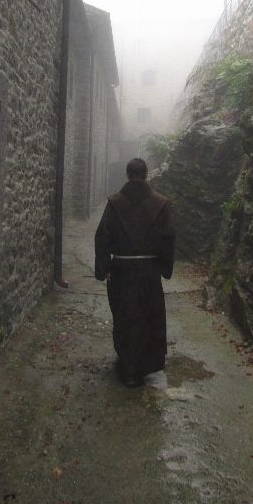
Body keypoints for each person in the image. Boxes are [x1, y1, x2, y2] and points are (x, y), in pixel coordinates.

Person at [95, 158, 175, 387]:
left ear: (127, 175)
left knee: (125, 316)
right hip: (149, 271)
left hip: (121, 270)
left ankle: (129, 365)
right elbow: (168, 237)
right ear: (147, 175)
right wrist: (163, 267)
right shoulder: (160, 204)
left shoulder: (114, 203)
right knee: (150, 315)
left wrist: (104, 268)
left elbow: (102, 237)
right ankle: (146, 365)